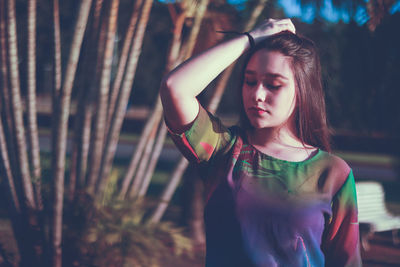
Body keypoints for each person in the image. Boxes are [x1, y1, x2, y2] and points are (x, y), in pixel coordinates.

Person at [160, 18, 362, 267]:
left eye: (273, 85)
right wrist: (251, 38)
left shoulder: (333, 174)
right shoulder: (224, 150)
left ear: (302, 91)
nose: (257, 94)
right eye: (250, 81)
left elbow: (347, 261)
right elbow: (174, 88)